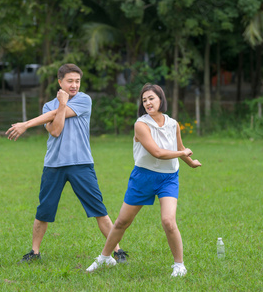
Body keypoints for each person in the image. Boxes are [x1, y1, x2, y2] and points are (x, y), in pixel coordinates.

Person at [5, 63, 128, 264]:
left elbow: (56, 118)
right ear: (60, 81)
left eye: (77, 81)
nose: (74, 85)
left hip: (81, 163)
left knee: (99, 209)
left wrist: (27, 124)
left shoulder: (84, 100)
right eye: (70, 81)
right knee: (44, 210)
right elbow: (55, 130)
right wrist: (60, 105)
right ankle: (35, 253)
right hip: (54, 165)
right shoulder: (48, 106)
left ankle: (117, 250)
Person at [85, 83, 201, 277]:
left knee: (168, 221)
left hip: (169, 178)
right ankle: (105, 257)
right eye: (144, 100)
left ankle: (179, 266)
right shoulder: (141, 124)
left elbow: (179, 147)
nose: (147, 102)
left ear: (161, 99)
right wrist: (182, 152)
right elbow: (157, 152)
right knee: (122, 221)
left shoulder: (173, 124)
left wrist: (190, 162)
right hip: (143, 177)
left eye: (151, 98)